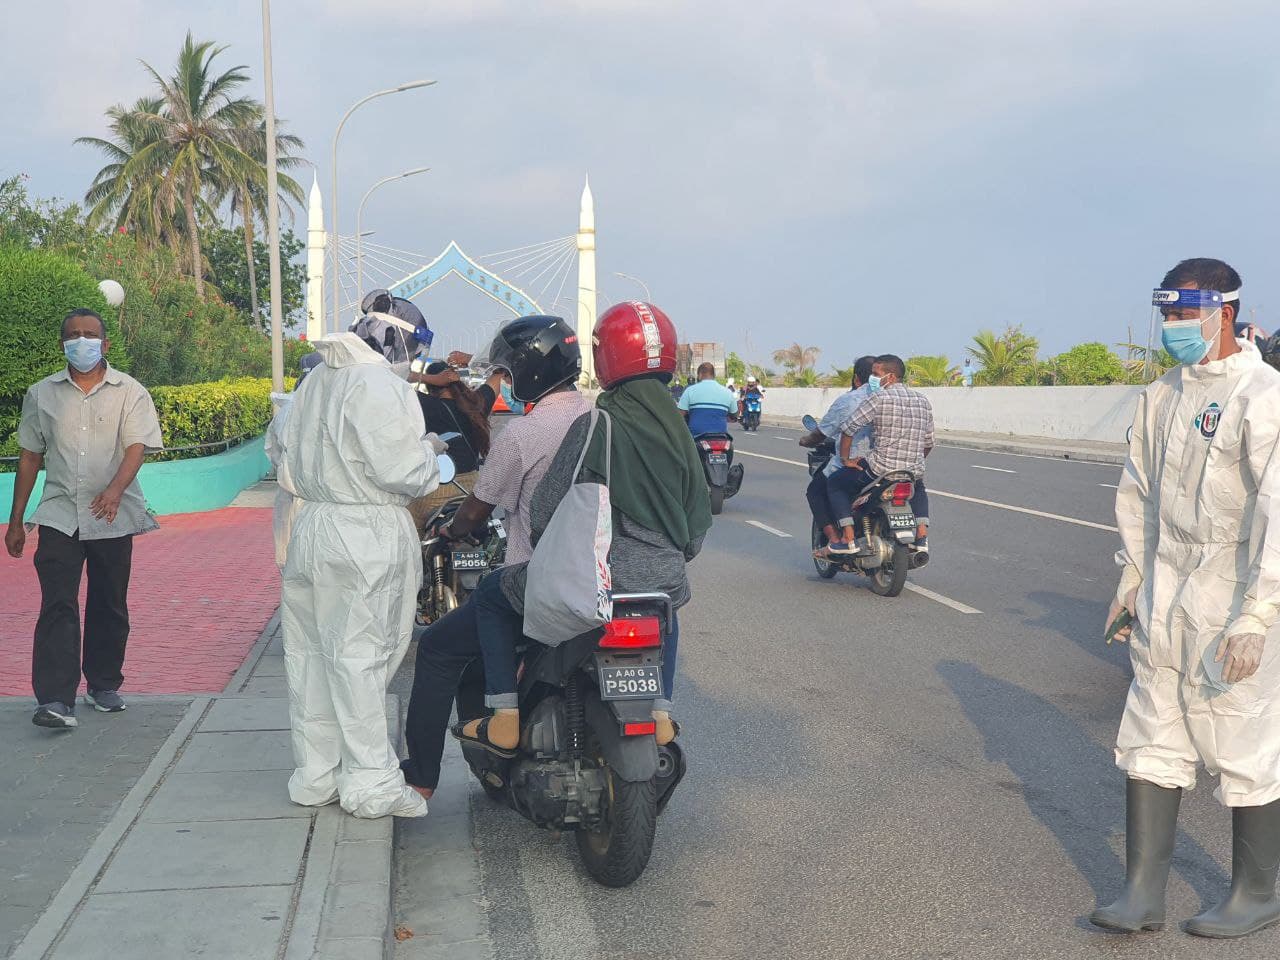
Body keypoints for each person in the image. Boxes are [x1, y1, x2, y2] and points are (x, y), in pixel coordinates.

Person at [400, 304, 709, 795]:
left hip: (571, 583)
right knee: (663, 606)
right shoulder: (675, 430)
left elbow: (545, 513)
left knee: (456, 631)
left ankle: (465, 745)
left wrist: (554, 553)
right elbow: (698, 517)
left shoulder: (581, 426)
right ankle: (660, 711)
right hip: (663, 583)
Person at [1091, 259, 1280, 939]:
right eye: (1165, 315)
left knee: (1241, 737)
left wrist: (1259, 614)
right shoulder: (1161, 395)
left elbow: (1277, 514)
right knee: (1151, 731)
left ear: (1222, 314)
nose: (1171, 328)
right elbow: (1137, 495)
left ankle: (1257, 892)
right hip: (1168, 584)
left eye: (1182, 316)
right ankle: (1142, 892)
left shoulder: (1263, 396)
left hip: (1234, 588)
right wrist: (1133, 583)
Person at [401, 316, 589, 794]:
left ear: (526, 372)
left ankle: (421, 778)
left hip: (533, 582)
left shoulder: (524, 435)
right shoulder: (600, 421)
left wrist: (450, 533)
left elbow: (472, 514)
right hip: (603, 579)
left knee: (441, 648)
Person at [278, 331, 444, 819]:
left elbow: (281, 448)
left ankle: (316, 773)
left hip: (312, 525)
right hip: (365, 530)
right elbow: (403, 470)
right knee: (362, 657)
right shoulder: (377, 386)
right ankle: (370, 780)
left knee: (310, 656)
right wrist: (431, 454)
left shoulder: (315, 381)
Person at [5, 308, 162, 729]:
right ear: (63, 345)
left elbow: (137, 447)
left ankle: (103, 683)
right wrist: (16, 519)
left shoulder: (130, 392)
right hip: (58, 514)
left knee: (109, 601)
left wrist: (114, 491)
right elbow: (30, 456)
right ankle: (55, 699)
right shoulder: (42, 394)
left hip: (114, 514)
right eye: (73, 335)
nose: (82, 341)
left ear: (105, 344)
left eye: (90, 335)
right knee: (57, 603)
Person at [821, 355, 934, 556]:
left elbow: (849, 428)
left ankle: (848, 539)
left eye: (875, 374)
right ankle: (921, 537)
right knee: (919, 486)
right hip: (909, 472)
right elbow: (929, 443)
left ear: (890, 377)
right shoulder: (922, 400)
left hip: (878, 471)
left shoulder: (879, 397)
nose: (872, 379)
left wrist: (846, 459)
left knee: (835, 484)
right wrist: (913, 461)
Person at [407, 361, 504, 531]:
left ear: (431, 387)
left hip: (437, 491)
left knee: (407, 528)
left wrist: (426, 378)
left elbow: (388, 375)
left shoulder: (424, 404)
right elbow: (499, 372)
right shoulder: (478, 403)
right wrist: (469, 362)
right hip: (473, 491)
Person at [799, 355, 876, 544]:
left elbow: (822, 433)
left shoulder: (850, 400)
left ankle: (836, 540)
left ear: (857, 378)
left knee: (816, 490)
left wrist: (806, 441)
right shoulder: (895, 398)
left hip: (858, 463)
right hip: (890, 464)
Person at [678, 362, 737, 436]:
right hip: (721, 436)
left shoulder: (690, 390)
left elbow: (679, 415)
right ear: (714, 375)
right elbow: (734, 414)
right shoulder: (727, 392)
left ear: (699, 375)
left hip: (696, 437)